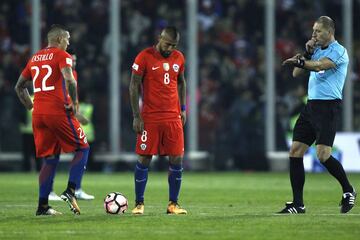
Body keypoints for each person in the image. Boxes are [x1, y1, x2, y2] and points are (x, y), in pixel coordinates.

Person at [279, 16, 356, 214]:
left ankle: (348, 190)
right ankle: (298, 204)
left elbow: (319, 66)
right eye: (313, 31)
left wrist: (302, 60)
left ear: (329, 32)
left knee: (323, 156)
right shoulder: (316, 50)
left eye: (318, 31)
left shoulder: (339, 52)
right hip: (311, 107)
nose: (314, 34)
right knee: (295, 151)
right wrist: (306, 53)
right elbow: (297, 74)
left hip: (327, 108)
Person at [14, 24, 90, 215]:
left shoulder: (34, 58)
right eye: (67, 39)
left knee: (51, 158)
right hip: (57, 111)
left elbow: (19, 86)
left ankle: (42, 206)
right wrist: (74, 105)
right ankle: (71, 191)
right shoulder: (62, 55)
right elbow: (69, 79)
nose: (68, 42)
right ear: (58, 39)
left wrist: (30, 106)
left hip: (38, 114)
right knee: (83, 148)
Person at [129, 26, 187, 214]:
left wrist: (183, 109)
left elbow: (181, 81)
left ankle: (173, 204)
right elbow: (134, 85)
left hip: (172, 116)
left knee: (177, 158)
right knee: (145, 158)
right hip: (150, 117)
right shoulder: (144, 56)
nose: (170, 49)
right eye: (167, 44)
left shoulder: (179, 57)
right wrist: (136, 115)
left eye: (174, 45)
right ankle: (139, 204)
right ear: (159, 38)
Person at [48, 49, 95, 201]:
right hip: (57, 116)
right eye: (71, 60)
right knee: (54, 152)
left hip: (67, 116)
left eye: (74, 61)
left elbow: (70, 96)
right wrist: (77, 114)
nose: (73, 63)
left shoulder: (73, 74)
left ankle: (77, 188)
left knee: (81, 149)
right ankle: (50, 191)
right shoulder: (60, 73)